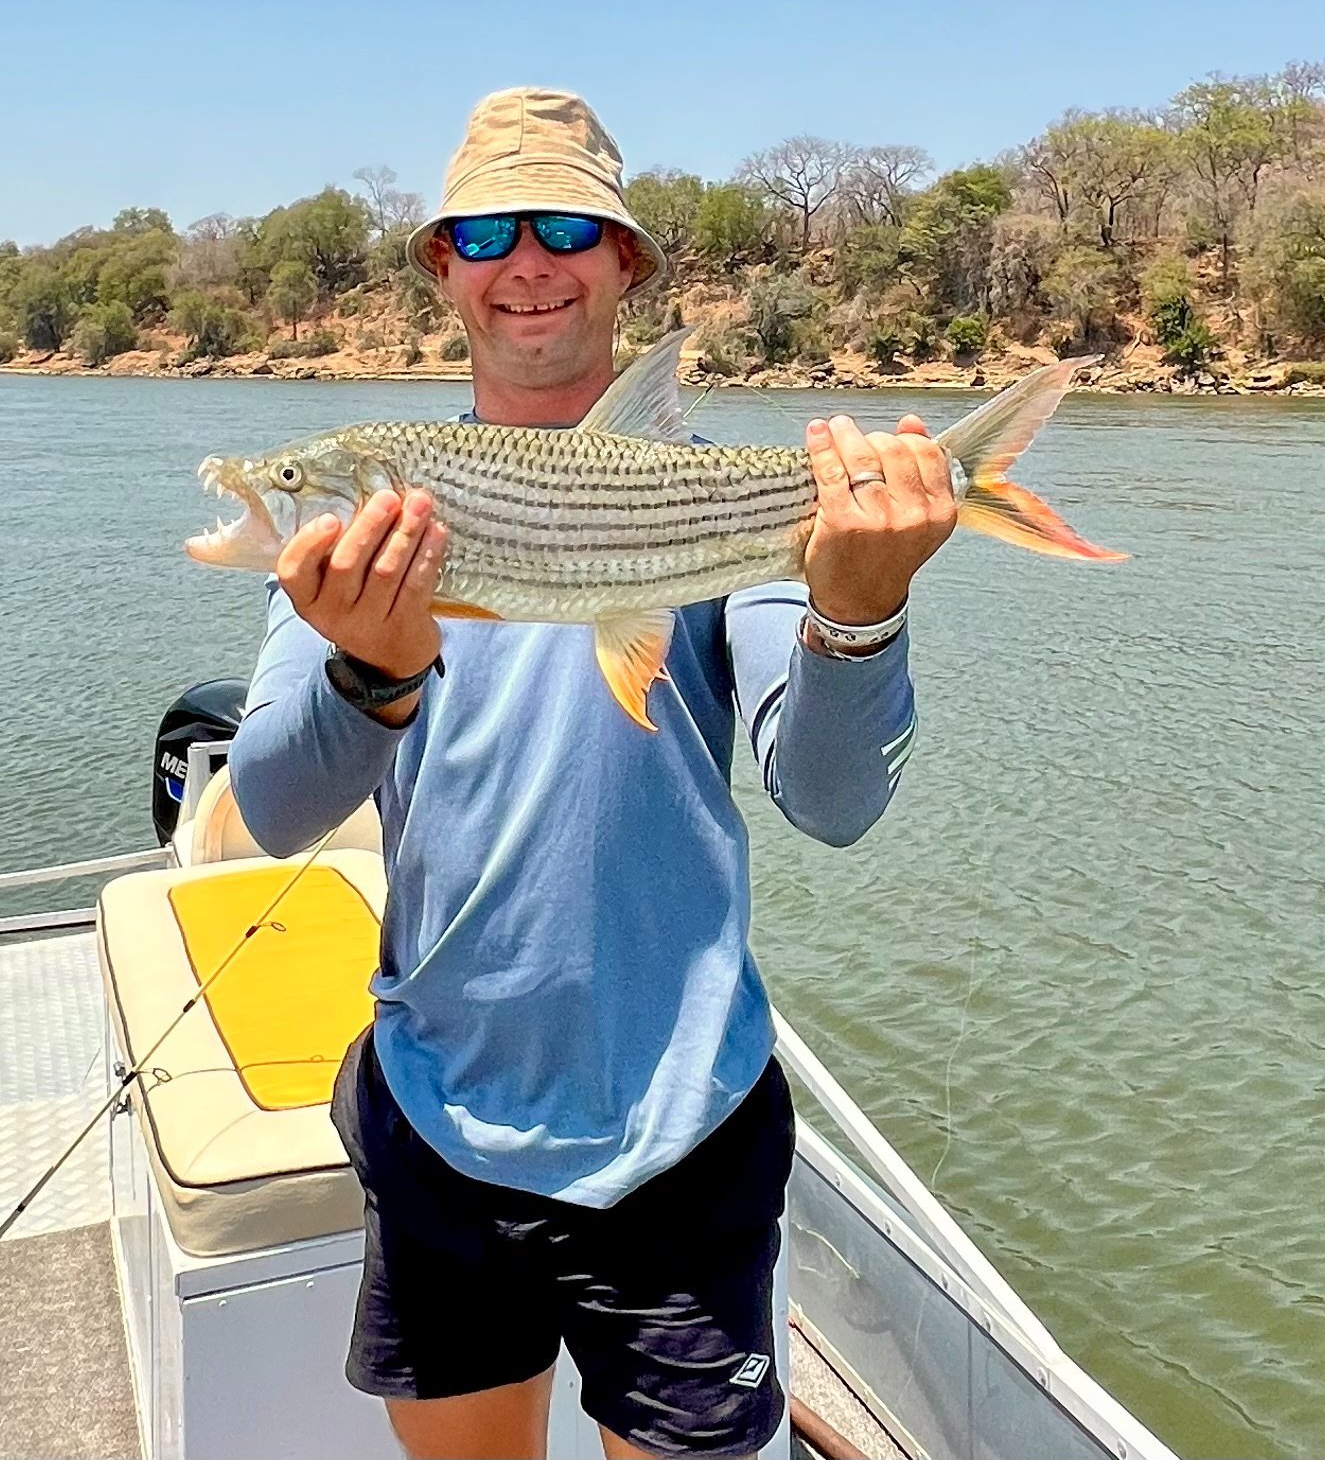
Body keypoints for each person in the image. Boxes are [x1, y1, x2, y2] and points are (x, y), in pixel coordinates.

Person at [230, 87, 957, 1460]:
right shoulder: (375, 511)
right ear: (442, 267)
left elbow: (835, 799)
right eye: (486, 229)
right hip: (441, 1113)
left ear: (625, 261)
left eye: (567, 223)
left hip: (687, 1124)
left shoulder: (703, 485)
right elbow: (271, 806)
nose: (528, 258)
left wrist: (857, 614)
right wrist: (370, 673)